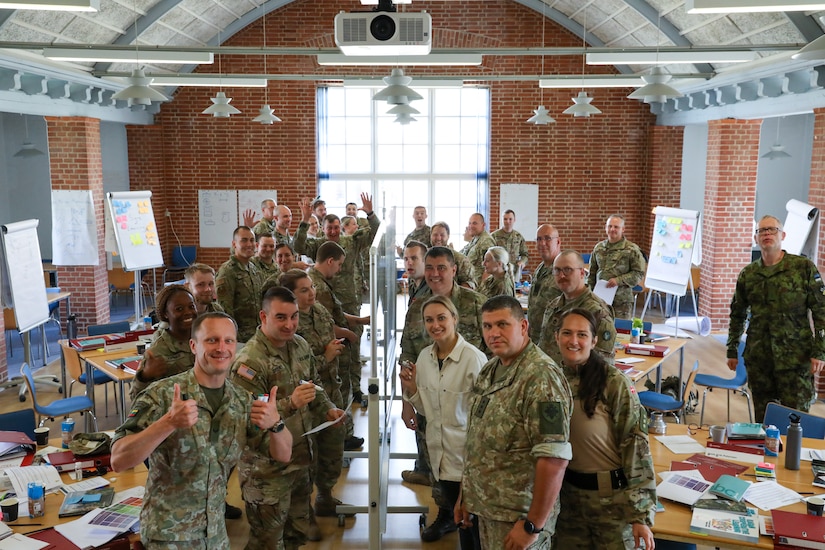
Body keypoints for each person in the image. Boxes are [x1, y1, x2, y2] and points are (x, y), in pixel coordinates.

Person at [111, 312, 292, 549]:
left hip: (215, 536)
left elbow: (283, 454)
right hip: (167, 537)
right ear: (193, 346)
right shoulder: (162, 394)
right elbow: (119, 460)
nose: (222, 348)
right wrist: (168, 423)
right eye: (212, 340)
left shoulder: (241, 400)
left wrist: (276, 424)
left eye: (228, 341)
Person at [231, 286, 346, 550]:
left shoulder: (300, 345)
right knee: (267, 542)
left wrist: (327, 407)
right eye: (281, 317)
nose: (289, 324)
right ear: (263, 317)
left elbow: (314, 385)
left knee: (296, 536)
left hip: (300, 461)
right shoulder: (249, 362)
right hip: (267, 472)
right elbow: (249, 420)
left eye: (294, 316)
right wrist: (291, 403)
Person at [456, 295, 572, 549]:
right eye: (487, 326)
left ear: (523, 326)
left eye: (502, 324)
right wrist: (466, 495)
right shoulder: (490, 369)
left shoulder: (541, 378)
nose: (493, 333)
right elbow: (477, 439)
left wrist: (533, 525)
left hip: (518, 521)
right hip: (486, 510)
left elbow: (554, 459)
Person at [552, 308, 656, 550]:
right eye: (566, 333)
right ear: (556, 336)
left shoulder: (614, 383)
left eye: (582, 334)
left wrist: (640, 514)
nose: (574, 341)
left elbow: (636, 448)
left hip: (612, 503)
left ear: (594, 340)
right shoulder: (551, 379)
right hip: (568, 501)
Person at [400, 295, 485, 547]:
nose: (435, 325)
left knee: (474, 526)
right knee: (462, 523)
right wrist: (412, 390)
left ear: (455, 319)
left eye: (441, 318)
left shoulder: (473, 359)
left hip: (467, 460)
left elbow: (484, 417)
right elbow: (428, 409)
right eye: (429, 320)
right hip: (441, 459)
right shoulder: (425, 357)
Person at [728, 214, 825, 418]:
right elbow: (737, 314)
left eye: (772, 229)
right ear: (756, 238)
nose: (767, 234)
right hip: (760, 359)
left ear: (783, 235)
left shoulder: (802, 268)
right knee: (764, 421)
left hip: (795, 359)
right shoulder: (749, 274)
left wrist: (820, 351)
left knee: (796, 421)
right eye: (762, 231)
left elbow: (821, 311)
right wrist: (732, 349)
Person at [280, 269, 351, 540]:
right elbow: (301, 369)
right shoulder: (288, 324)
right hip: (304, 402)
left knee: (332, 451)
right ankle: (305, 513)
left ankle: (325, 496)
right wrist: (327, 356)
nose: (312, 293)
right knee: (307, 459)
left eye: (312, 287)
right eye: (304, 290)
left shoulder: (320, 311)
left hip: (329, 393)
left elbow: (324, 344)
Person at [294, 193, 380, 404]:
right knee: (332, 349)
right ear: (323, 229)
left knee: (353, 350)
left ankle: (356, 390)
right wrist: (305, 220)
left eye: (335, 228)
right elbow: (298, 246)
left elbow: (375, 232)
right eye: (328, 228)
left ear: (340, 228)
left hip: (349, 302)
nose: (332, 232)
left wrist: (369, 213)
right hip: (323, 303)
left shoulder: (350, 243)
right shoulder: (319, 247)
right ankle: (337, 394)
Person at [538, 250, 616, 366]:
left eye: (567, 270)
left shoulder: (597, 312)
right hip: (549, 379)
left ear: (582, 273)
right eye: (557, 270)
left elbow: (602, 366)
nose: (561, 275)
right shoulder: (553, 306)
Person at [130, 285, 196, 400]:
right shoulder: (157, 351)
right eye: (179, 309)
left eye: (191, 306)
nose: (188, 312)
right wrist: (146, 376)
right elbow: (135, 397)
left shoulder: (205, 338)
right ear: (166, 313)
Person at [587, 214, 646, 320]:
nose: (612, 229)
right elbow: (592, 273)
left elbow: (638, 273)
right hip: (599, 300)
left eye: (616, 227)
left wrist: (618, 280)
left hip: (621, 302)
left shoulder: (631, 249)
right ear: (605, 228)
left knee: (620, 333)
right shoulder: (599, 248)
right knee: (598, 330)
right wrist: (589, 294)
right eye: (609, 226)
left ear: (623, 229)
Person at [216, 226, 264, 344]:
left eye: (252, 240)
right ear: (234, 244)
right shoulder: (227, 272)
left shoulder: (254, 268)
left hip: (257, 335)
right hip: (239, 338)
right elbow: (224, 310)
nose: (249, 244)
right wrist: (233, 338)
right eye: (244, 240)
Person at [528, 224, 562, 343]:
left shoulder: (565, 269)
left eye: (547, 238)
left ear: (558, 242)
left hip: (554, 340)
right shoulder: (540, 268)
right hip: (536, 336)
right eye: (539, 239)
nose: (542, 243)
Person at [430, 221, 475, 288]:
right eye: (435, 235)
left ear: (448, 236)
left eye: (442, 235)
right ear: (430, 236)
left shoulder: (460, 259)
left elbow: (470, 283)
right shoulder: (424, 258)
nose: (438, 238)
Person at [492, 209, 529, 280]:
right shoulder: (494, 236)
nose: (507, 221)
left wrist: (522, 262)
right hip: (498, 273)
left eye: (510, 219)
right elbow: (489, 255)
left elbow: (525, 254)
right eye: (505, 219)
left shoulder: (518, 237)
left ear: (514, 220)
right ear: (502, 220)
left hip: (514, 274)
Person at [461, 213, 496, 286]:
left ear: (483, 225)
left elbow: (489, 269)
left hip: (478, 286)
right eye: (469, 223)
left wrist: (482, 289)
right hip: (470, 284)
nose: (471, 226)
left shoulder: (486, 241)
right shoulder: (475, 239)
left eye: (474, 223)